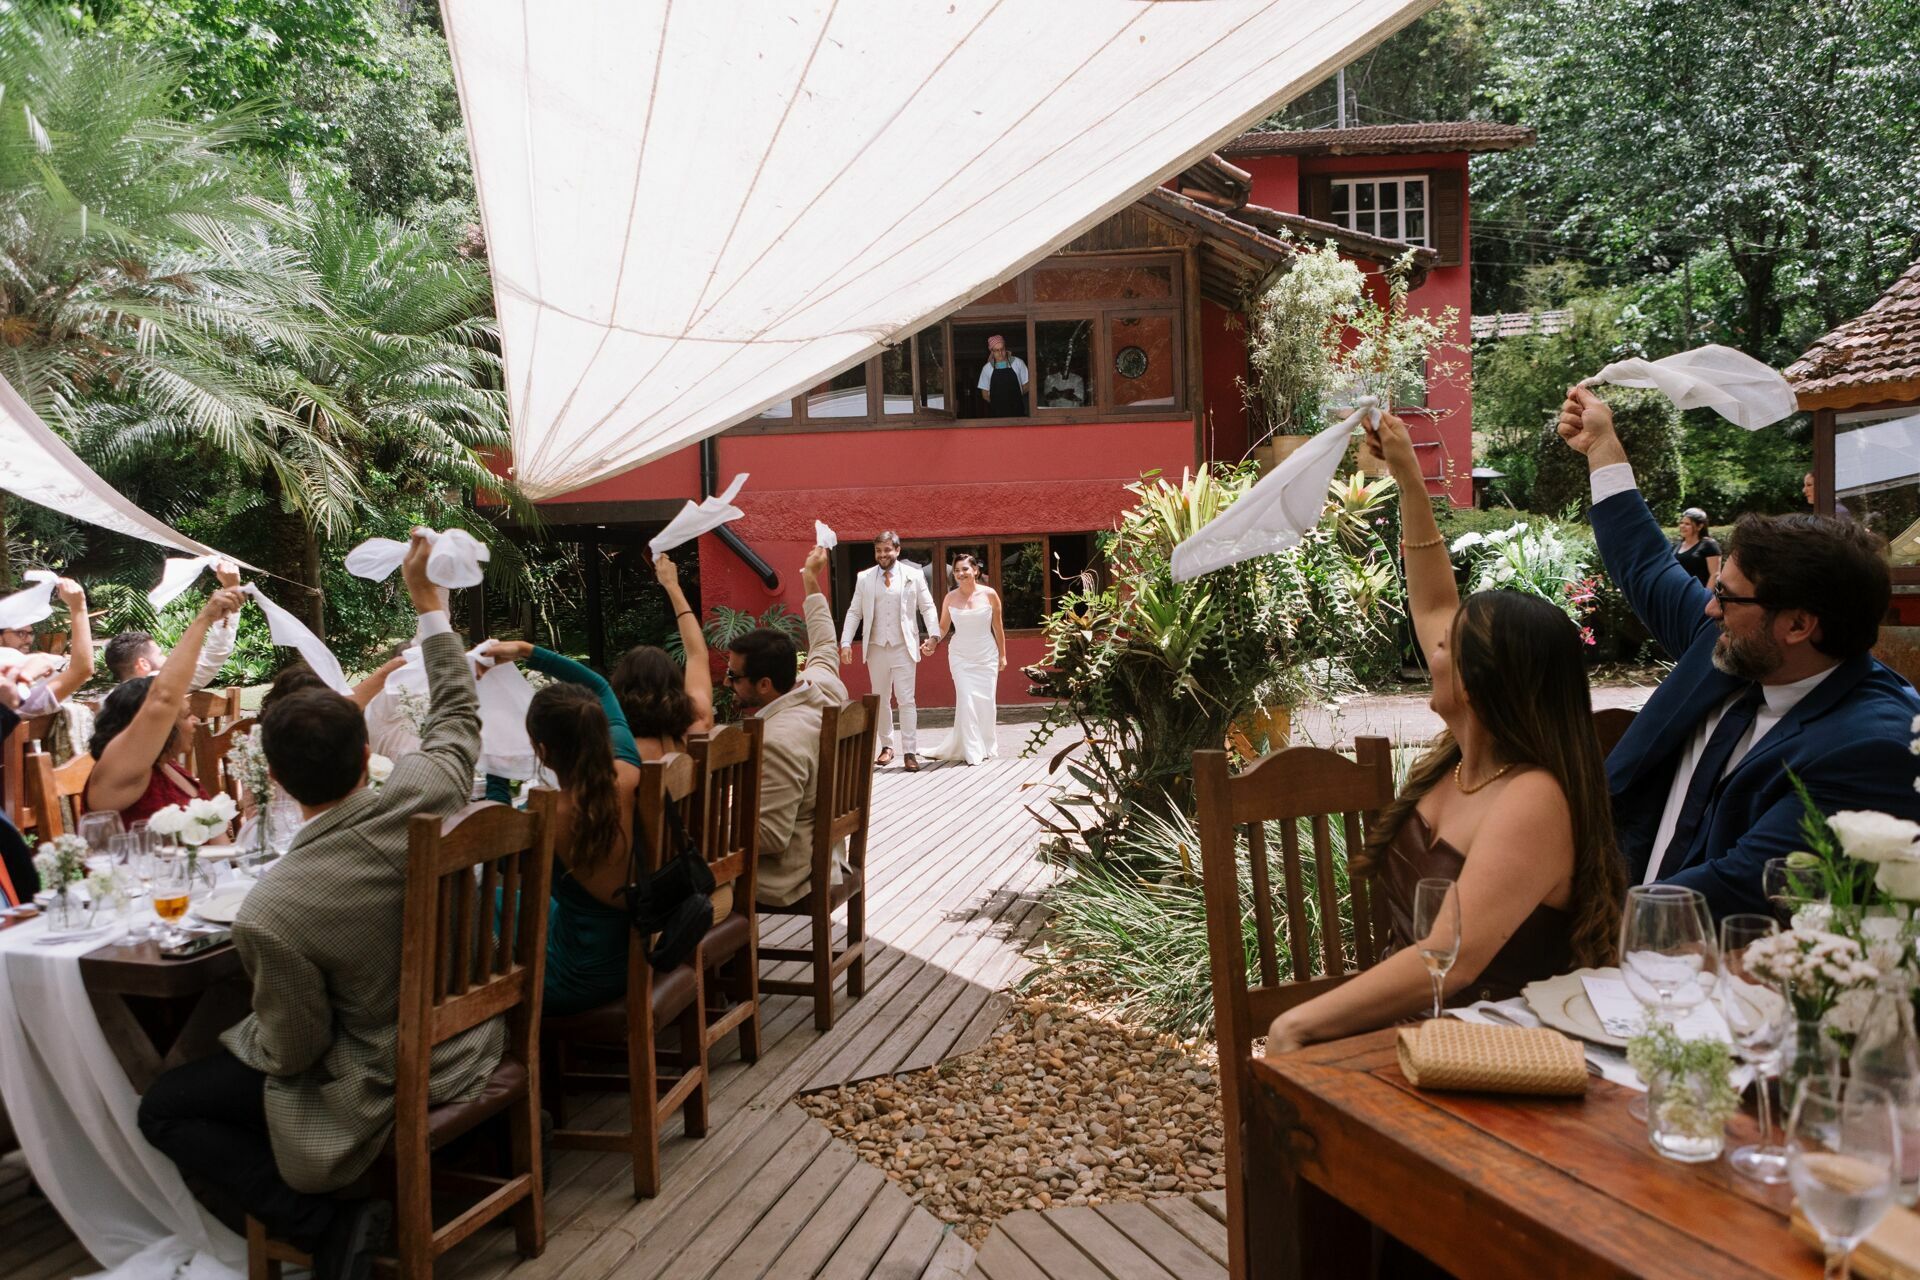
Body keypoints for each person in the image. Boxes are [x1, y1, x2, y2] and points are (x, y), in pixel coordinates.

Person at [137, 534, 494, 1280]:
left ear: (271, 775)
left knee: (166, 1102)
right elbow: (457, 719)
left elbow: (295, 1051)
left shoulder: (273, 910)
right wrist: (429, 604)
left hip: (388, 1072)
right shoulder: (426, 789)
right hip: (472, 1037)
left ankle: (320, 1225)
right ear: (367, 756)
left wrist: (237, 1037)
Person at [1265, 414, 1624, 1054]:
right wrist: (1407, 475)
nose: (1431, 647)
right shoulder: (1463, 762)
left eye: (1447, 647)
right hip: (1419, 1025)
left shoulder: (1533, 798)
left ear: (1482, 685)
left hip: (1487, 1048)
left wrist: (1298, 1024)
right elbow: (1433, 602)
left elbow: (1449, 959)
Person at [1560, 386, 1920, 917]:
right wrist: (1601, 446)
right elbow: (1646, 564)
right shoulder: (1736, 644)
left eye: (1725, 596)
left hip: (1686, 949)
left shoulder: (1873, 745)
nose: (1709, 609)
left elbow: (1741, 883)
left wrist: (1566, 912)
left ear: (1797, 624)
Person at [477, 639, 643, 1015]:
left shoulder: (546, 819)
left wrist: (496, 760)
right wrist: (526, 650)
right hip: (640, 947)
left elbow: (496, 855)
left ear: (543, 751)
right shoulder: (627, 766)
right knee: (503, 901)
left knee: (474, 904)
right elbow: (599, 686)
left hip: (576, 977)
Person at [732, 546, 847, 906]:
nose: (726, 682)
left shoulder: (778, 740)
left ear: (765, 684)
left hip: (788, 876)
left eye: (734, 677)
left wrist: (705, 823)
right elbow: (825, 643)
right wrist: (811, 579)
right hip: (828, 854)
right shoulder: (823, 687)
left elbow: (770, 837)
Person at [85, 588, 244, 824]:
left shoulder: (168, 767)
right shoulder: (120, 772)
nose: (195, 722)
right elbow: (163, 697)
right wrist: (205, 617)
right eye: (185, 715)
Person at [839, 532, 938, 771]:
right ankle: (886, 746)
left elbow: (927, 607)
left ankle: (910, 751)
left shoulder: (913, 575)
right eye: (878, 551)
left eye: (887, 550)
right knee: (881, 698)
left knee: (906, 700)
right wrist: (845, 642)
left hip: (903, 645)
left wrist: (934, 636)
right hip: (876, 646)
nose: (882, 555)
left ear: (897, 550)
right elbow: (854, 611)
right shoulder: (864, 577)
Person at [609, 551, 716, 759]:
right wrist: (672, 586)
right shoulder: (698, 721)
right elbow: (697, 655)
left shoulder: (625, 753)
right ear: (674, 682)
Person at [103, 561, 243, 688]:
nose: (167, 658)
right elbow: (212, 657)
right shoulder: (156, 688)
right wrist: (232, 588)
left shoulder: (114, 699)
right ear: (143, 664)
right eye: (160, 655)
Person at [923, 553, 1006, 766]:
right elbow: (943, 627)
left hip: (986, 656)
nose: (961, 573)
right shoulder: (950, 598)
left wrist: (1003, 655)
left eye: (965, 569)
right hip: (960, 656)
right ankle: (972, 751)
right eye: (957, 570)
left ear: (975, 570)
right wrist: (933, 641)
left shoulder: (990, 594)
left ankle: (986, 745)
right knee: (966, 701)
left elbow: (998, 627)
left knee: (986, 704)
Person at [976, 334, 1029, 417]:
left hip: (1017, 412)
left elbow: (1027, 385)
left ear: (1005, 348)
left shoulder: (1018, 363)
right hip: (997, 414)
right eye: (996, 350)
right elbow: (985, 394)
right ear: (992, 352)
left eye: (1002, 349)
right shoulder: (987, 368)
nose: (1000, 353)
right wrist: (998, 403)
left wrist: (1014, 398)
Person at [1672, 508, 1722, 587]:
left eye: (1687, 524)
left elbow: (1715, 575)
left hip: (1699, 592)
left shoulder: (1709, 545)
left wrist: (1706, 594)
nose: (1682, 526)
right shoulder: (1676, 546)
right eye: (1681, 523)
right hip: (1679, 592)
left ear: (1700, 526)